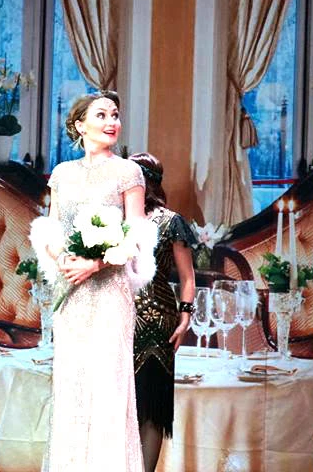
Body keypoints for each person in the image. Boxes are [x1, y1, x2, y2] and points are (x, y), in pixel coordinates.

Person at [29, 91, 156, 472]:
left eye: (115, 115)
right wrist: (61, 259)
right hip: (71, 295)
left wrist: (96, 263)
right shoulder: (62, 174)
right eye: (101, 115)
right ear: (79, 125)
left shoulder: (128, 172)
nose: (111, 122)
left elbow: (137, 234)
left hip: (109, 294)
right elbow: (52, 230)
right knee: (72, 388)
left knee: (108, 389)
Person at [128, 152, 197, 472]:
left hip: (157, 320)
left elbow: (188, 277)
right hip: (116, 315)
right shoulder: (112, 220)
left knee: (152, 407)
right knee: (121, 403)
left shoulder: (171, 221)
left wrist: (185, 317)